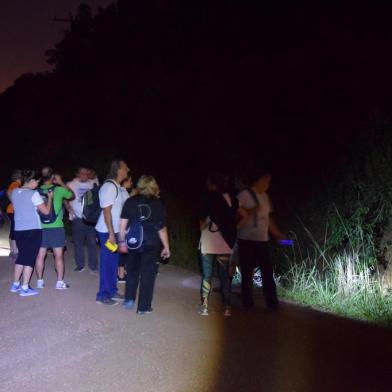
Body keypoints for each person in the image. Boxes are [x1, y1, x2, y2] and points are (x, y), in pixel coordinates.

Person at [119, 175, 170, 314]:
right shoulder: (157, 204)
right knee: (148, 275)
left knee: (132, 271)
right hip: (151, 243)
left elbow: (123, 224)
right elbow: (161, 228)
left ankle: (129, 300)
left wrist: (122, 241)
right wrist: (166, 247)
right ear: (154, 186)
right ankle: (143, 307)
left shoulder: (130, 201)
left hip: (134, 242)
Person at [236, 170, 286, 311]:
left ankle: (272, 304)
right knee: (247, 272)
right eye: (265, 180)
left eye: (269, 181)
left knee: (267, 272)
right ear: (256, 180)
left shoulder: (265, 197)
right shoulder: (244, 195)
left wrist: (279, 236)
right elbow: (234, 214)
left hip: (262, 240)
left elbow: (268, 220)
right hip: (246, 240)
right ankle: (247, 303)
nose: (267, 184)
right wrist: (250, 211)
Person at [198, 172, 239, 317]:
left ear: (211, 184)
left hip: (209, 240)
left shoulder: (207, 197)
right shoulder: (231, 199)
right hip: (225, 241)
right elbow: (236, 219)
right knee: (224, 276)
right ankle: (227, 307)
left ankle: (204, 307)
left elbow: (202, 223)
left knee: (207, 274)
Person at [9, 170, 53, 296]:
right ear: (31, 181)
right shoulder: (34, 194)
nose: (37, 185)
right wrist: (49, 199)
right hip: (33, 230)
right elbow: (46, 212)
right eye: (37, 182)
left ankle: (15, 284)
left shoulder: (14, 192)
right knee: (29, 259)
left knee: (21, 256)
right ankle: (25, 287)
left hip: (19, 229)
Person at [95, 160, 130, 305]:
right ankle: (102, 295)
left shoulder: (117, 187)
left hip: (115, 231)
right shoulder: (109, 187)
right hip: (106, 232)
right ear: (119, 170)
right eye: (126, 167)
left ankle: (112, 290)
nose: (129, 169)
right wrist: (110, 234)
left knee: (114, 262)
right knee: (107, 263)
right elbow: (106, 211)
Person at [35, 167, 74, 289]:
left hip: (40, 227)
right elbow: (72, 195)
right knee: (58, 256)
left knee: (40, 255)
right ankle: (59, 283)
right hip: (56, 227)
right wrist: (61, 182)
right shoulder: (59, 190)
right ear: (53, 177)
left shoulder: (36, 191)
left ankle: (40, 281)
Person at [66, 167, 98, 272]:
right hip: (77, 218)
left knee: (92, 242)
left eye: (86, 173)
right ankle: (80, 265)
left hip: (90, 219)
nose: (85, 175)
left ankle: (93, 266)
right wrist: (68, 208)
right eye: (82, 173)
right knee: (78, 243)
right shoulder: (71, 184)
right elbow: (64, 198)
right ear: (77, 174)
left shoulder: (92, 183)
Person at [6, 169, 22, 260]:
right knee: (14, 230)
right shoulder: (15, 184)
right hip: (13, 210)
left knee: (13, 229)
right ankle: (15, 251)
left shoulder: (16, 185)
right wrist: (15, 203)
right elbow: (8, 193)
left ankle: (13, 250)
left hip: (12, 210)